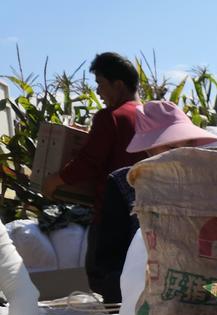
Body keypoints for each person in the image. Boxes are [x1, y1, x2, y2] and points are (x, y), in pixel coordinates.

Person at [41, 52, 147, 298]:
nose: (98, 92)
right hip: (144, 218)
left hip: (112, 215)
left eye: (100, 83)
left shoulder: (112, 117)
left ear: (118, 85)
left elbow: (88, 162)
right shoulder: (151, 116)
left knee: (104, 277)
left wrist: (54, 181)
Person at [94, 101, 217, 303]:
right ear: (148, 150)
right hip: (144, 293)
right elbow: (106, 263)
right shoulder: (124, 184)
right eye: (170, 146)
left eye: (188, 145)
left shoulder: (205, 185)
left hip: (202, 293)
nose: (180, 154)